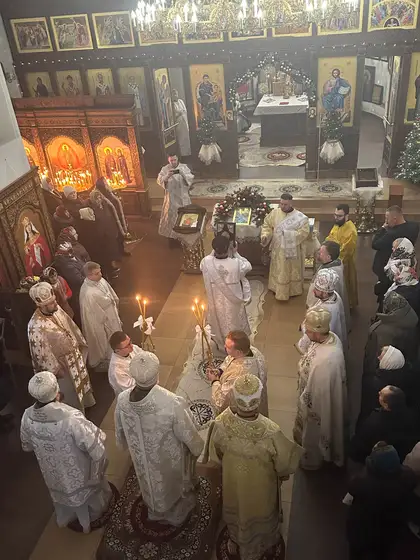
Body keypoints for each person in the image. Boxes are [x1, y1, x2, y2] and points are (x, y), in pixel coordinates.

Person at [204, 374, 303, 560]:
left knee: (237, 513)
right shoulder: (271, 431)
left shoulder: (221, 422)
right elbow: (284, 465)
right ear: (258, 400)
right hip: (261, 489)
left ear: (235, 398)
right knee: (260, 516)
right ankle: (259, 549)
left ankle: (236, 542)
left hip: (234, 485)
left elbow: (215, 457)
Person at [115, 352, 204, 526]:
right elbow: (187, 431)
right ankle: (174, 512)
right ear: (157, 374)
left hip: (141, 457)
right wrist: (197, 447)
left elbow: (120, 428)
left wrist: (123, 442)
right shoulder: (171, 402)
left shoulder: (123, 399)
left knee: (149, 482)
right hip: (166, 458)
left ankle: (155, 510)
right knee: (169, 483)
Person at [20, 371, 111, 534]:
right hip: (78, 469)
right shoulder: (70, 418)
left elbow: (27, 445)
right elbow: (95, 445)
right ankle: (93, 514)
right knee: (89, 491)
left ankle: (68, 516)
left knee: (64, 492)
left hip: (53, 472)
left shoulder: (27, 416)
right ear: (56, 391)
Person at [27, 282, 95, 413]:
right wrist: (56, 369)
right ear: (41, 305)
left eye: (54, 300)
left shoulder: (56, 310)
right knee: (70, 392)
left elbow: (69, 325)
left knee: (81, 383)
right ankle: (74, 414)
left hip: (74, 356)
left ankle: (86, 404)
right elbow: (40, 353)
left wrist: (79, 343)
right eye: (51, 303)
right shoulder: (35, 325)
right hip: (62, 366)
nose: (56, 304)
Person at [294, 307, 347, 469]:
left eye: (308, 331)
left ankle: (314, 460)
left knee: (315, 430)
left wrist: (305, 402)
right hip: (312, 388)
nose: (306, 333)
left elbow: (318, 395)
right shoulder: (330, 337)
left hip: (317, 406)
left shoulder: (325, 362)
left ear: (317, 333)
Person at [347, 442, 417, 560]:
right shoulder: (407, 479)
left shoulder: (361, 483)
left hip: (362, 532)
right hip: (391, 531)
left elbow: (352, 487)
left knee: (356, 552)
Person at [200, 236, 252, 349]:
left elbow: (204, 262)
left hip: (215, 302)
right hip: (232, 303)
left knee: (218, 321)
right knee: (233, 321)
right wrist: (236, 252)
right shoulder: (237, 264)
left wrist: (214, 251)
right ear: (228, 248)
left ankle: (221, 342)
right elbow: (248, 266)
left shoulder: (206, 262)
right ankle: (236, 344)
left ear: (214, 248)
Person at [350, 385, 420, 464]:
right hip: (402, 458)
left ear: (386, 405)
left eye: (381, 394)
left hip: (378, 462)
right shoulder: (413, 416)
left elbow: (360, 445)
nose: (378, 392)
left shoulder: (374, 422)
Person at [206, 330, 268, 416]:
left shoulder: (239, 374)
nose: (224, 346)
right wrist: (220, 371)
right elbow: (230, 359)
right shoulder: (253, 351)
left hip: (243, 411)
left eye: (228, 347)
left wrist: (214, 381)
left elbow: (221, 402)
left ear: (238, 352)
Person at [261, 193, 310, 301]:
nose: (282, 206)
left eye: (285, 204)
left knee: (290, 270)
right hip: (278, 249)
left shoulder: (300, 218)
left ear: (291, 203)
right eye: (281, 204)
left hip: (292, 251)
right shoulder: (274, 213)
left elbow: (304, 232)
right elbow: (267, 225)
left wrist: (288, 235)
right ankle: (276, 288)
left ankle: (293, 290)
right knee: (278, 269)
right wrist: (265, 235)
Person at [372, 205, 419, 305]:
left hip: (389, 269)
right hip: (407, 265)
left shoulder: (392, 234)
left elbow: (375, 244)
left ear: (394, 219)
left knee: (385, 292)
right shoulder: (414, 227)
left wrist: (383, 228)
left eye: (387, 218)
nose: (386, 221)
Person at [363, 291, 419, 377]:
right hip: (404, 366)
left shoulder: (380, 331)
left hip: (383, 371)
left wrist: (368, 374)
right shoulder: (411, 319)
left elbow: (372, 358)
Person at [79, 262, 122, 371]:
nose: (101, 274)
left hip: (111, 313)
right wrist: (105, 323)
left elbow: (110, 293)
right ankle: (110, 359)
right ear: (89, 276)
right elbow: (93, 315)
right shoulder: (88, 293)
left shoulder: (100, 280)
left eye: (100, 271)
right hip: (104, 320)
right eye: (97, 273)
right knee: (106, 340)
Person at [359, 346, 419, 420]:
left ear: (387, 363)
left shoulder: (374, 382)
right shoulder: (412, 377)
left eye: (381, 357)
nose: (378, 358)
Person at [307, 240, 350, 323]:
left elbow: (323, 295)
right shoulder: (334, 264)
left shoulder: (329, 274)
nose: (318, 253)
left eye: (321, 253)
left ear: (329, 257)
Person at [326, 204, 358, 309]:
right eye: (335, 215)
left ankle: (345, 306)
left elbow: (346, 251)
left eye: (339, 216)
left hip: (344, 264)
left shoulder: (351, 231)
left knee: (345, 286)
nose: (336, 218)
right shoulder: (337, 225)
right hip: (332, 260)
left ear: (347, 216)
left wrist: (331, 260)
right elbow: (330, 238)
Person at [304, 268, 347, 348]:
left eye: (317, 289)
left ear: (325, 293)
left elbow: (320, 333)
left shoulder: (327, 310)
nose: (313, 291)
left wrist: (304, 327)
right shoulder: (334, 295)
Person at [157, 154, 194, 241]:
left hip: (182, 197)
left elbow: (190, 180)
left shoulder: (184, 167)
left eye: (174, 160)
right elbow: (159, 180)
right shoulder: (165, 169)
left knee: (184, 217)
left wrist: (182, 174)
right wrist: (167, 176)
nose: (173, 162)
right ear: (168, 160)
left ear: (177, 159)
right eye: (171, 160)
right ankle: (172, 238)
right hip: (171, 198)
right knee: (172, 218)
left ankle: (184, 236)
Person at [89, 189, 123, 275]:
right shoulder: (92, 209)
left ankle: (112, 266)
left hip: (110, 231)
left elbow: (111, 218)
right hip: (102, 235)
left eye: (100, 197)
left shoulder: (105, 206)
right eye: (96, 198)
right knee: (106, 254)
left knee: (112, 251)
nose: (99, 200)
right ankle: (109, 270)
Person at [95, 178, 130, 257]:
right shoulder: (99, 195)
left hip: (118, 215)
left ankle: (122, 250)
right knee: (114, 237)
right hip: (110, 218)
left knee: (120, 235)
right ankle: (116, 254)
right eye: (105, 183)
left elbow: (117, 201)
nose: (107, 184)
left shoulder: (110, 192)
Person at [108, 331, 143, 396]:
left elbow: (144, 356)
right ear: (117, 350)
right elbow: (131, 388)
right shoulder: (117, 370)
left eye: (130, 342)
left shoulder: (133, 348)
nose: (131, 346)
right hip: (132, 395)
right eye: (127, 345)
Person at [172, 89, 191, 157]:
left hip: (185, 121)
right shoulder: (172, 103)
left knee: (187, 138)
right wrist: (180, 113)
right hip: (179, 123)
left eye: (176, 93)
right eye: (174, 94)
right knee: (181, 139)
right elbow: (174, 114)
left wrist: (181, 112)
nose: (175, 95)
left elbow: (184, 110)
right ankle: (183, 154)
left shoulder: (180, 101)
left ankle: (188, 153)